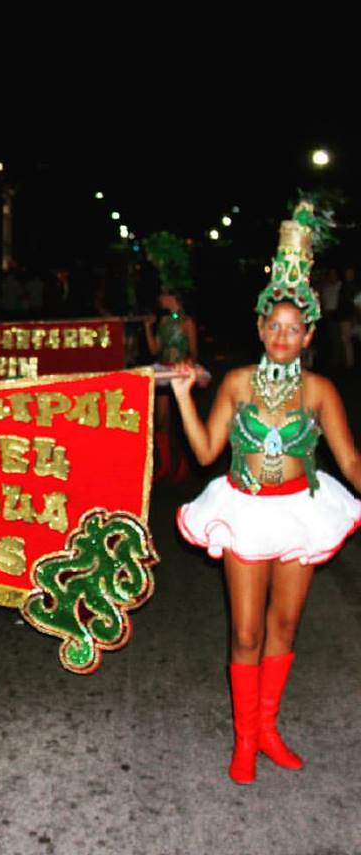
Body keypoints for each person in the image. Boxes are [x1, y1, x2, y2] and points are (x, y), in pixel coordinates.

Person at [171, 199, 361, 784]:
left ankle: (270, 729)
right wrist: (180, 395)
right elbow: (205, 453)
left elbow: (350, 459)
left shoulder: (321, 391)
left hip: (299, 514)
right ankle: (245, 740)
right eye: (273, 326)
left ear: (308, 335)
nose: (282, 336)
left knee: (284, 629)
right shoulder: (235, 383)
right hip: (245, 512)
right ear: (260, 329)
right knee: (247, 631)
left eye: (293, 328)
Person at [144, 290, 198, 482]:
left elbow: (193, 352)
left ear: (174, 298)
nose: (160, 298)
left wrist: (185, 369)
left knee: (180, 422)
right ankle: (165, 466)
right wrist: (148, 328)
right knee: (161, 422)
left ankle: (183, 466)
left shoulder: (187, 322)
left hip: (180, 375)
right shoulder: (164, 322)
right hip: (164, 373)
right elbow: (154, 350)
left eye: (163, 295)